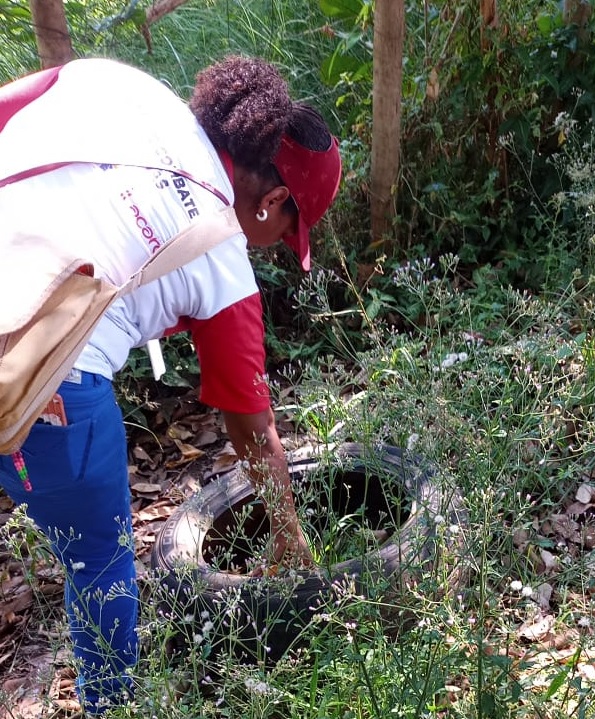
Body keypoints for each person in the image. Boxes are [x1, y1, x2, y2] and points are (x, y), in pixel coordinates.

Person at [0, 54, 341, 713]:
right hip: (35, 376)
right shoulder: (221, 250)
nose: (270, 246)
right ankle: (115, 705)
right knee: (100, 562)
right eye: (285, 234)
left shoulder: (123, 89)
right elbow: (251, 423)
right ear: (271, 202)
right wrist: (288, 534)